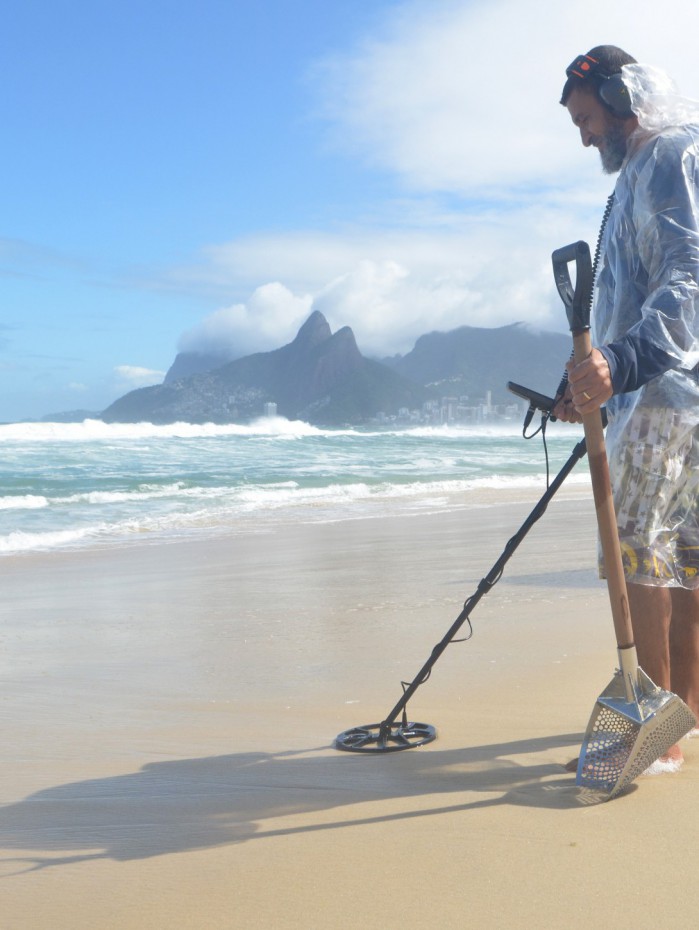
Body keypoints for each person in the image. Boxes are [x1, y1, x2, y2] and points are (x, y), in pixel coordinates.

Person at [555, 45, 699, 770]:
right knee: (683, 556)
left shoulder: (670, 156)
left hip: (663, 398)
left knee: (640, 553)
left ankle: (653, 730)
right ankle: (684, 716)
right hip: (666, 394)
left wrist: (621, 364)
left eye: (585, 119)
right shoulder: (641, 173)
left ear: (621, 97)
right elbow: (624, 300)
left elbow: (689, 274)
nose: (583, 136)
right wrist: (581, 383)